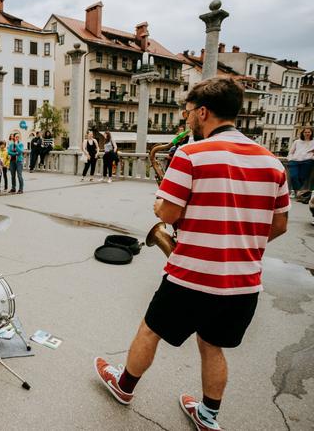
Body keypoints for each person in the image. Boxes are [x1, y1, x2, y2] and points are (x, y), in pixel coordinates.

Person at [93, 77, 289, 431]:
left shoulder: (191, 154)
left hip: (192, 276)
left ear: (203, 112)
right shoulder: (273, 162)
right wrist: (238, 244)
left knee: (150, 330)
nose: (186, 122)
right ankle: (208, 415)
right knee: (213, 345)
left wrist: (159, 204)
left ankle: (124, 386)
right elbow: (279, 225)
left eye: (187, 115)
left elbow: (168, 214)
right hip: (243, 283)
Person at [286, 126, 314, 198]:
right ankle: (298, 193)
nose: (307, 133)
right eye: (305, 132)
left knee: (302, 178)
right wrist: (290, 159)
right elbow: (291, 152)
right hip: (294, 161)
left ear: (311, 133)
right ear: (303, 133)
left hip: (307, 162)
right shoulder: (297, 142)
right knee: (293, 176)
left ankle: (296, 193)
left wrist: (311, 157)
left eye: (309, 132)